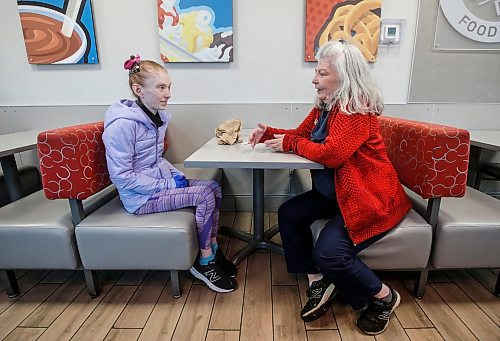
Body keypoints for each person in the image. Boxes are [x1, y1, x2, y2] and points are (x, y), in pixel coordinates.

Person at [248, 41, 412, 335]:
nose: (314, 79)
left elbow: (332, 154)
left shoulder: (356, 110)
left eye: (322, 73)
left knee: (330, 253)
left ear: (344, 77)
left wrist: (290, 143)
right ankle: (317, 281)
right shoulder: (326, 106)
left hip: (368, 198)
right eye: (317, 72)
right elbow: (299, 135)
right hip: (338, 194)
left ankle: (384, 297)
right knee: (289, 213)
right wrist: (269, 134)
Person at [102, 54, 237, 293]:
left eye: (169, 87)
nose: (168, 93)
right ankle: (204, 263)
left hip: (155, 184)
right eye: (161, 87)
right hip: (139, 198)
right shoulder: (122, 125)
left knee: (213, 187)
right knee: (202, 196)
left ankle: (213, 250)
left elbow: (156, 160)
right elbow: (121, 176)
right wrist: (168, 186)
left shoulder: (155, 117)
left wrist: (176, 176)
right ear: (138, 89)